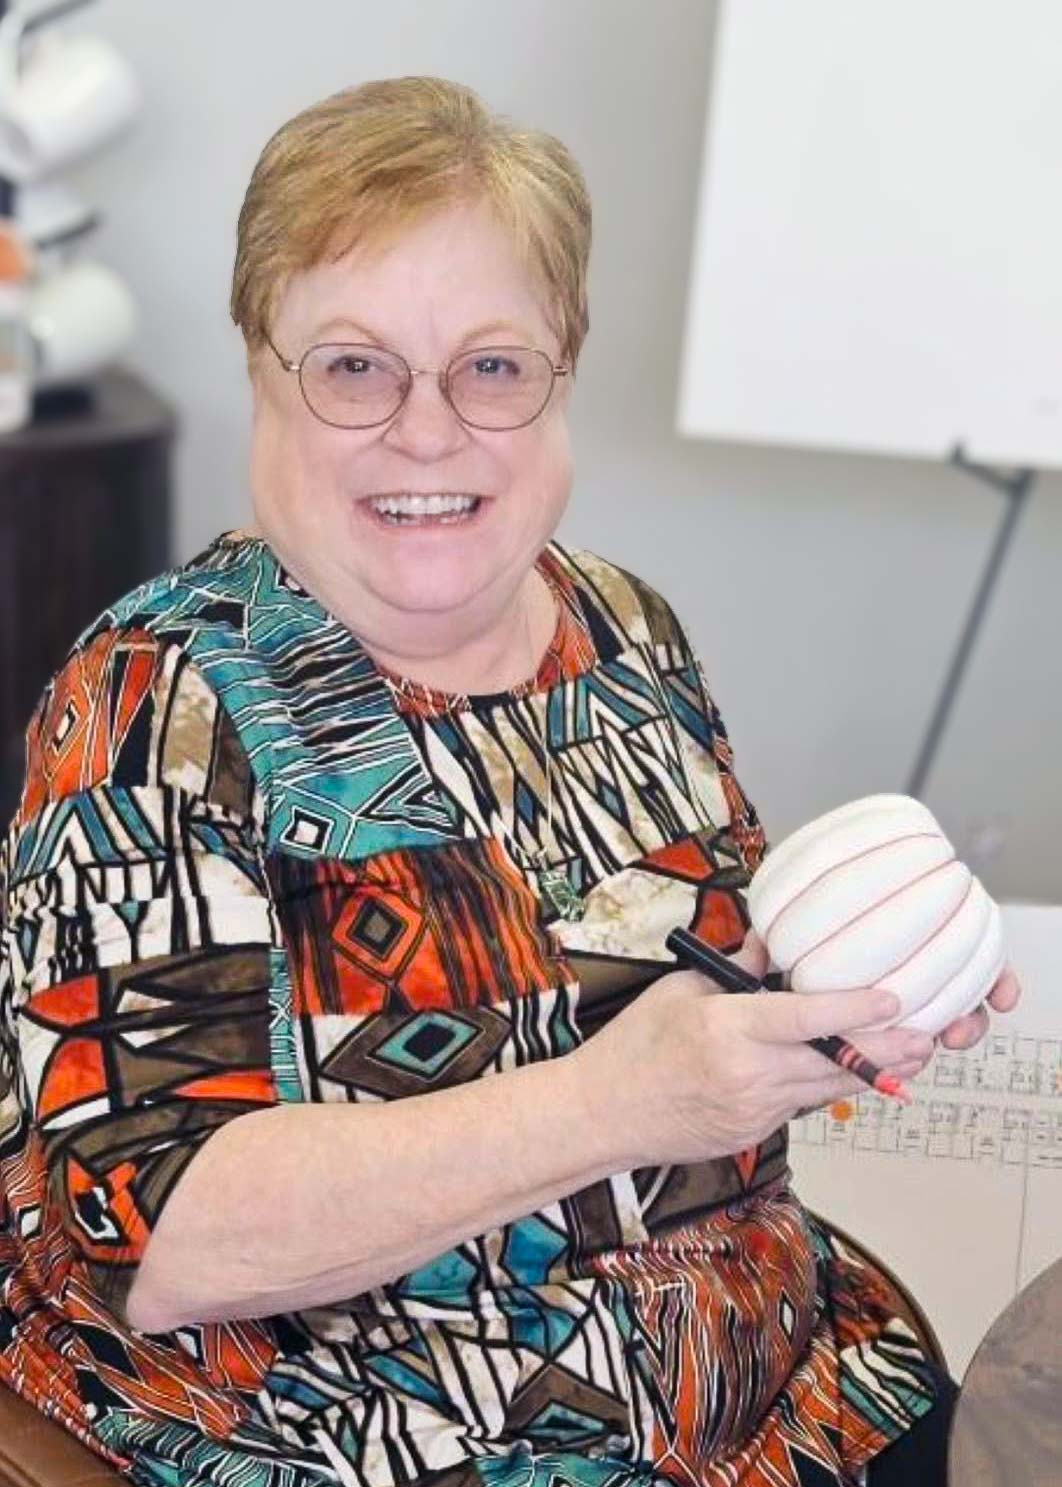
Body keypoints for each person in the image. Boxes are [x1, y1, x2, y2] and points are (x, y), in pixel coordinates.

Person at [0, 76, 1020, 1487]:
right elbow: (165, 1242)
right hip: (382, 1442)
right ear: (259, 369)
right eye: (354, 366)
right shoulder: (160, 704)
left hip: (786, 1397)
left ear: (559, 375)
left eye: (491, 365)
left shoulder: (620, 627)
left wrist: (856, 997)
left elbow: (685, 983)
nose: (428, 432)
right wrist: (622, 1102)